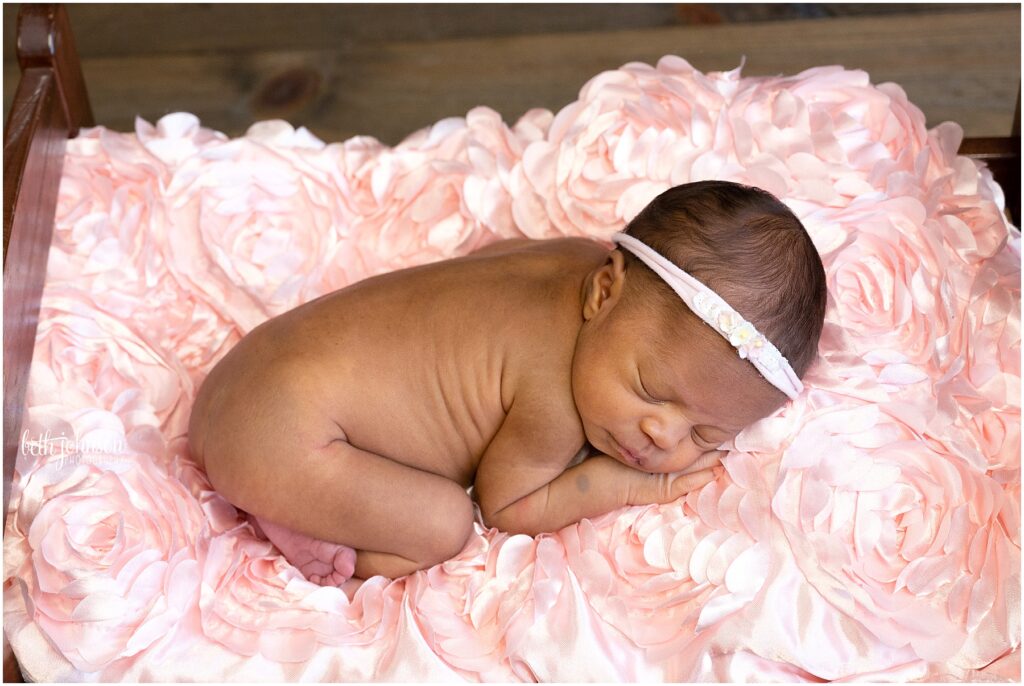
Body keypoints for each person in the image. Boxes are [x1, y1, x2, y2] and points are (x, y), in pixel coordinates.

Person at [187, 180, 827, 589]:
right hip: (278, 438)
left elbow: (491, 250)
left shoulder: (575, 258)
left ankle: (297, 499)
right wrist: (642, 483)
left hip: (248, 368)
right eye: (650, 389)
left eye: (704, 432)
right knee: (444, 525)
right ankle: (307, 534)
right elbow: (508, 507)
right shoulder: (555, 400)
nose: (661, 432)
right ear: (605, 291)